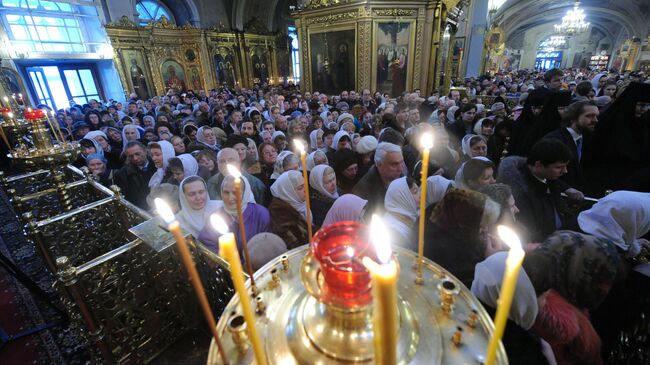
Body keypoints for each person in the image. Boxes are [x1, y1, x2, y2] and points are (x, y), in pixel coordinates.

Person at [471, 252, 553, 365]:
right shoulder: (526, 355)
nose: (545, 304)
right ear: (524, 299)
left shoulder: (460, 297)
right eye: (545, 297)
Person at [498, 139, 575, 242]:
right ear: (538, 165)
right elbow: (531, 233)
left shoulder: (549, 179)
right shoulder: (521, 193)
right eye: (559, 167)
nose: (565, 171)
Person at [423, 189, 501, 287]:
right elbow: (470, 287)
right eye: (481, 226)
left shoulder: (442, 213)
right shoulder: (448, 251)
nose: (486, 230)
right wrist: (491, 261)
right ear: (464, 222)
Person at [199, 175, 271, 255]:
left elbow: (266, 244)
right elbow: (207, 243)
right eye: (226, 192)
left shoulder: (260, 214)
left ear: (245, 193)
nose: (230, 198)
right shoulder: (216, 217)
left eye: (235, 192)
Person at [544, 100, 598, 191]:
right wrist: (566, 188)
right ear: (573, 118)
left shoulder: (589, 138)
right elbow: (544, 171)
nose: (595, 120)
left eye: (596, 116)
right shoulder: (554, 140)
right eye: (589, 116)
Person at [352, 142, 404, 214]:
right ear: (379, 164)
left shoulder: (402, 178)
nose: (400, 169)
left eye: (401, 162)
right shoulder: (363, 192)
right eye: (394, 164)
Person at [268, 170, 310, 249]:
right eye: (300, 188)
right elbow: (297, 246)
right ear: (287, 191)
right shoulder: (281, 215)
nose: (305, 190)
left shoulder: (299, 202)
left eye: (305, 185)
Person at [114, 141, 155, 210]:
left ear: (145, 151)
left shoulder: (158, 166)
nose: (135, 158)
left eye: (137, 154)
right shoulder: (122, 174)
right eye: (131, 156)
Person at [383, 177, 419, 250]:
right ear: (402, 197)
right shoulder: (392, 232)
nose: (420, 195)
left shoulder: (409, 217)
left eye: (419, 191)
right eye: (415, 192)